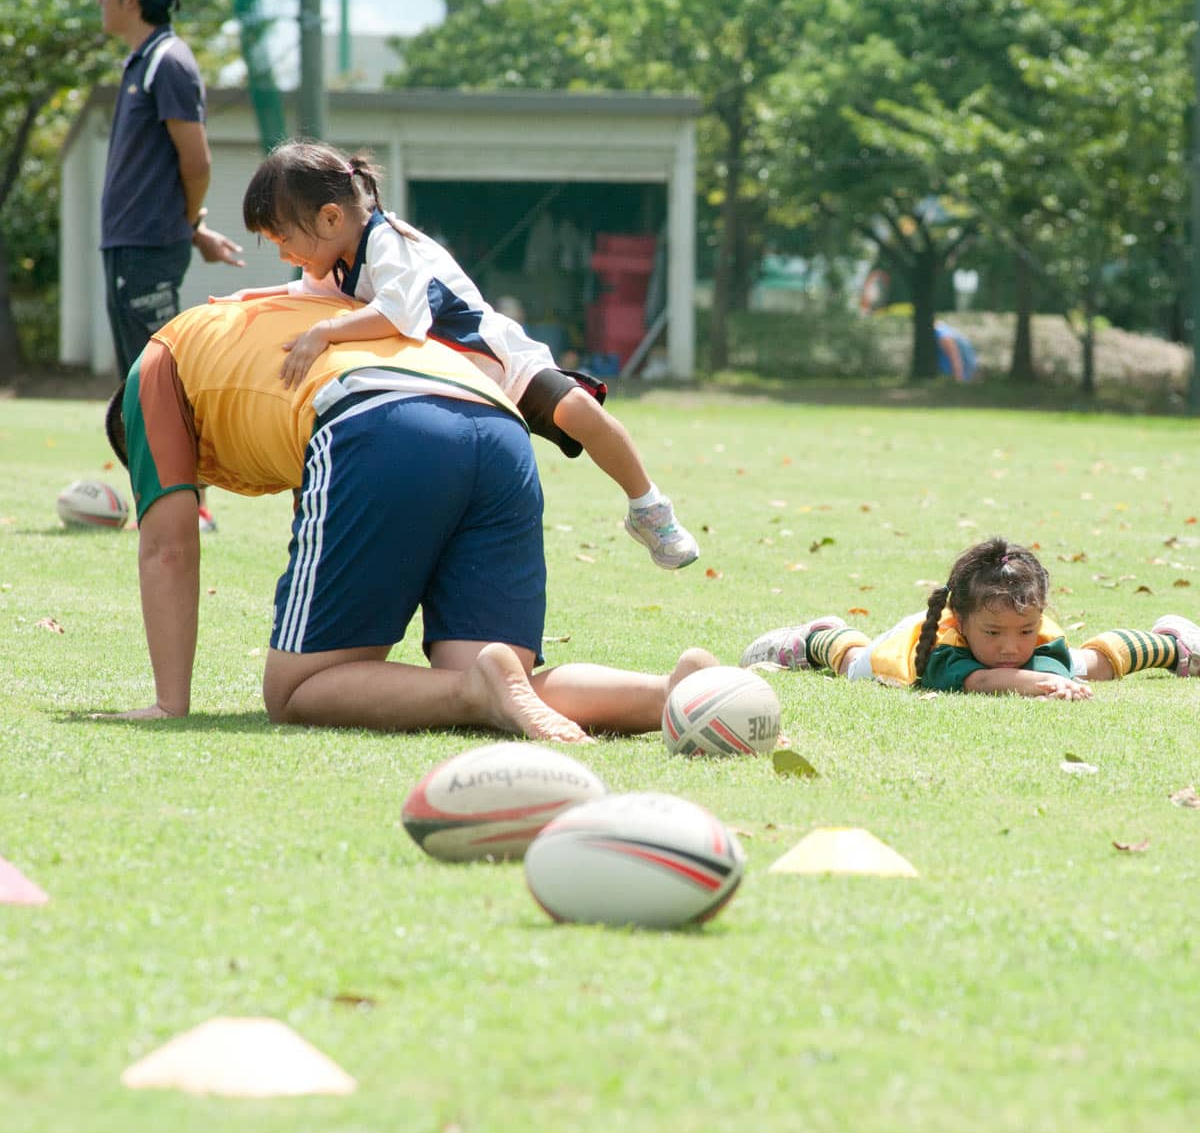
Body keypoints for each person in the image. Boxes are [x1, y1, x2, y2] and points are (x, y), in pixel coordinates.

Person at [97, 293, 716, 737]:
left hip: (377, 421)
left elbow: (169, 545)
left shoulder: (156, 365)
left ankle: (476, 689)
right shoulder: (255, 316)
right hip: (494, 423)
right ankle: (681, 694)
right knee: (509, 678)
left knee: (295, 689)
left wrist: (168, 704)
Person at [218, 140, 698, 571]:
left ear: (329, 217)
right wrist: (252, 298)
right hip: (439, 382)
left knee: (577, 410)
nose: (284, 255)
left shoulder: (388, 243)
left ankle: (648, 506)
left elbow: (397, 315)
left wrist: (323, 333)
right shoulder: (332, 261)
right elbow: (304, 292)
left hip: (495, 363)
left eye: (285, 240)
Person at [81, 0, 246, 531]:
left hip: (146, 248)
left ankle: (191, 509)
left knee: (157, 383)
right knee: (144, 379)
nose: (99, 0)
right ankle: (180, 504)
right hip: (133, 246)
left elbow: (195, 160)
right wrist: (195, 230)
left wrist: (188, 219)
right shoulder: (142, 62)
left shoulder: (168, 61)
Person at [739, 537, 1200, 699]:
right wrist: (1035, 683)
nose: (1011, 647)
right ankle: (814, 637)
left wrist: (1052, 678)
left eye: (1025, 630)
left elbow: (1054, 666)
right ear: (962, 620)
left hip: (1002, 653)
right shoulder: (945, 645)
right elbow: (978, 682)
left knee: (1094, 665)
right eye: (994, 633)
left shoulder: (1032, 633)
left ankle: (1174, 647)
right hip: (903, 651)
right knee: (853, 661)